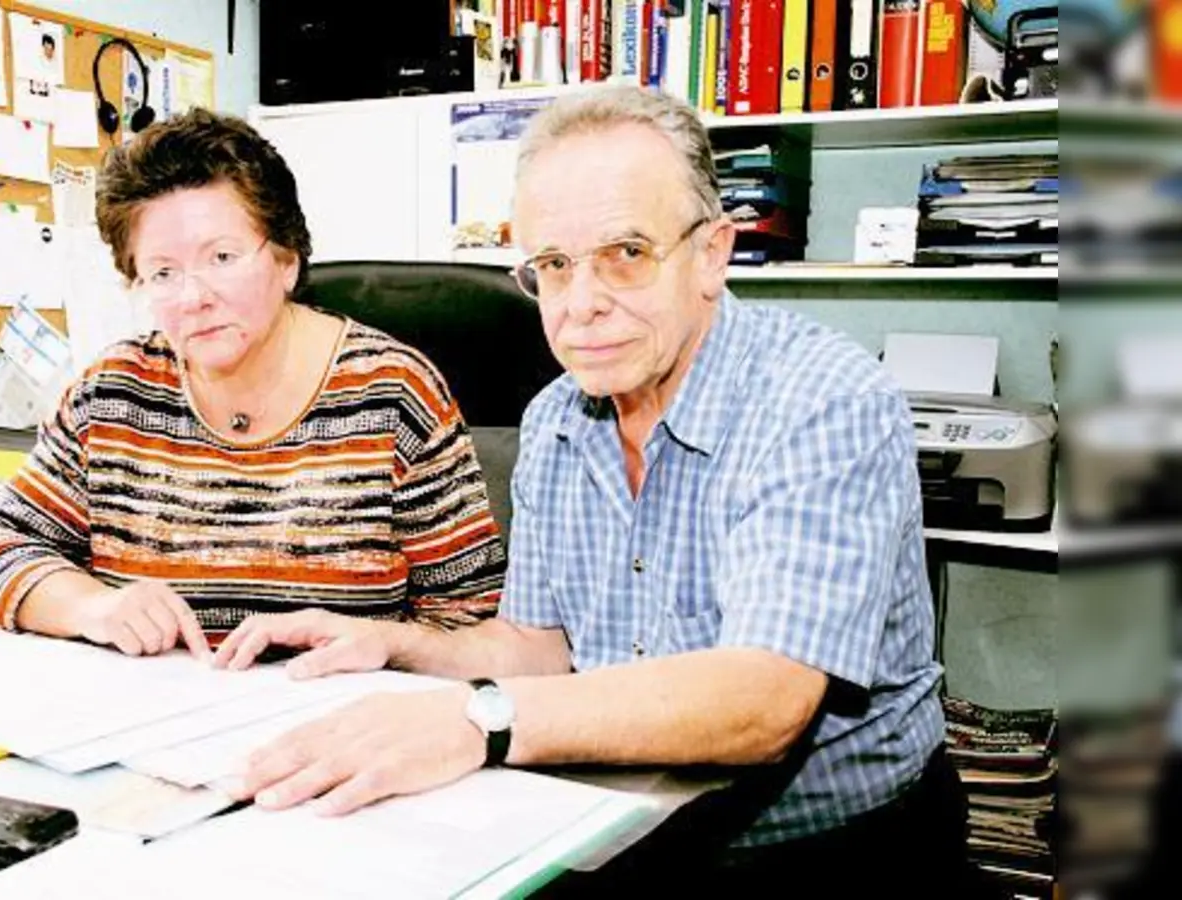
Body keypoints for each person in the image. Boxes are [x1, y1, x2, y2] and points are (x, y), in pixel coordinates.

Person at [214, 86, 975, 892]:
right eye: (553, 265)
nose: (581, 306)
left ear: (712, 254)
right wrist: (403, 646)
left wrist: (479, 718)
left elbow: (763, 697)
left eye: (626, 253)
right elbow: (538, 647)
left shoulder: (822, 399)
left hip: (830, 853)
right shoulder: (554, 420)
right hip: (623, 825)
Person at [0, 108, 507, 659]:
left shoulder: (392, 396)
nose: (194, 296)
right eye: (163, 272)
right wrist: (91, 607)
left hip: (334, 724)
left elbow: (476, 625)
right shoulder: (113, 395)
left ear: (286, 260)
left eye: (222, 257)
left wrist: (388, 643)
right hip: (151, 727)